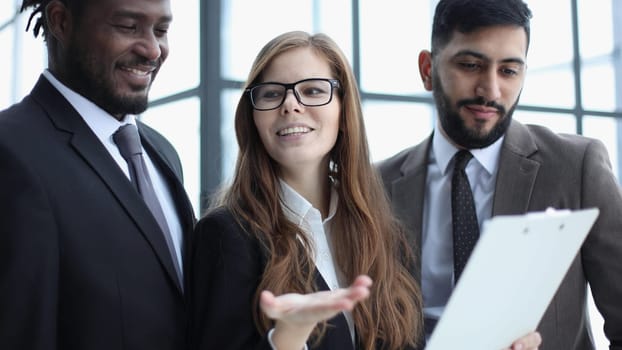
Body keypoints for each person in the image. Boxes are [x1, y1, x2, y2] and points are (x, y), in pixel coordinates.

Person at [187, 30, 541, 350]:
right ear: (253, 118)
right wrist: (286, 339)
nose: (290, 104)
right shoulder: (225, 236)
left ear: (344, 111)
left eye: (312, 90)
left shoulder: (384, 233)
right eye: (271, 93)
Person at [377, 0, 622, 349]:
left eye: (508, 71)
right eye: (470, 65)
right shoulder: (377, 185)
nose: (490, 90)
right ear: (428, 69)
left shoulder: (575, 167)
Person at [0, 0, 195, 349]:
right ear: (60, 21)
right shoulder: (10, 150)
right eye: (128, 26)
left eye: (161, 30)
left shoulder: (163, 153)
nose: (152, 49)